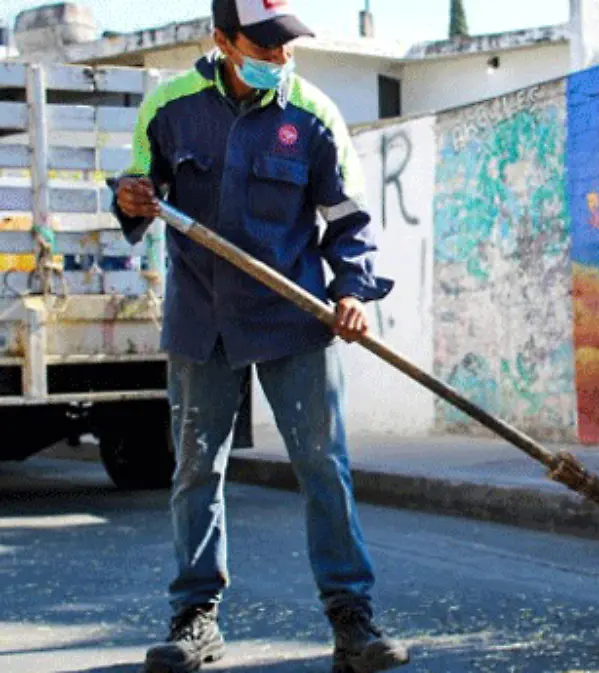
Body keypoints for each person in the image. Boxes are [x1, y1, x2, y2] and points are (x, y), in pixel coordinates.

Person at [112, 1, 408, 672]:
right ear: (222, 40)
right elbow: (141, 187)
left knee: (323, 467)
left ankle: (352, 618)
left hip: (290, 320)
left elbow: (349, 220)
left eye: (287, 46)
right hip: (201, 320)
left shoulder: (313, 115)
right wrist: (130, 197)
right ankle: (194, 619)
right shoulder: (169, 107)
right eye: (264, 46)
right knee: (195, 471)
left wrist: (351, 291)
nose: (279, 59)